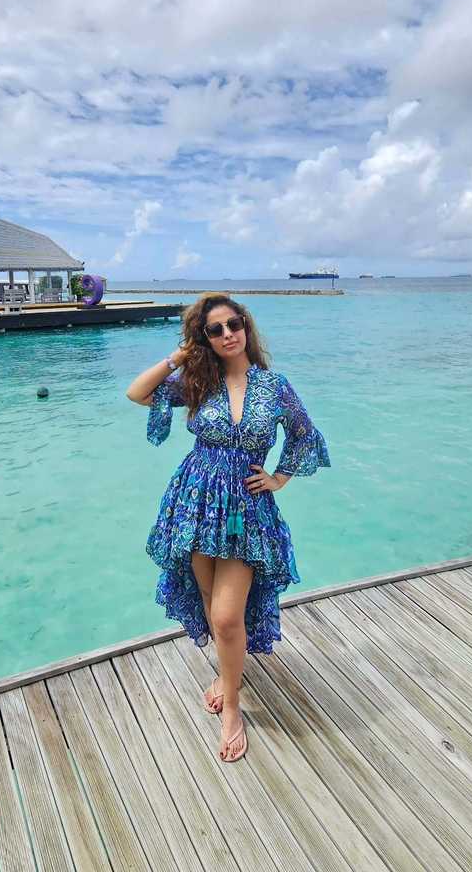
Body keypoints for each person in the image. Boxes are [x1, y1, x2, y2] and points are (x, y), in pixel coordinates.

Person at [125, 292, 330, 762]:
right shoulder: (199, 382)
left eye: (233, 324)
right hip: (196, 502)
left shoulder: (274, 386)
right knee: (205, 596)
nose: (227, 334)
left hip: (245, 513)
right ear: (205, 339)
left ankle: (233, 707)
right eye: (214, 330)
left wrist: (279, 478)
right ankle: (224, 671)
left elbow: (303, 434)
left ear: (245, 326)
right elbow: (138, 393)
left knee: (225, 615)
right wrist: (180, 356)